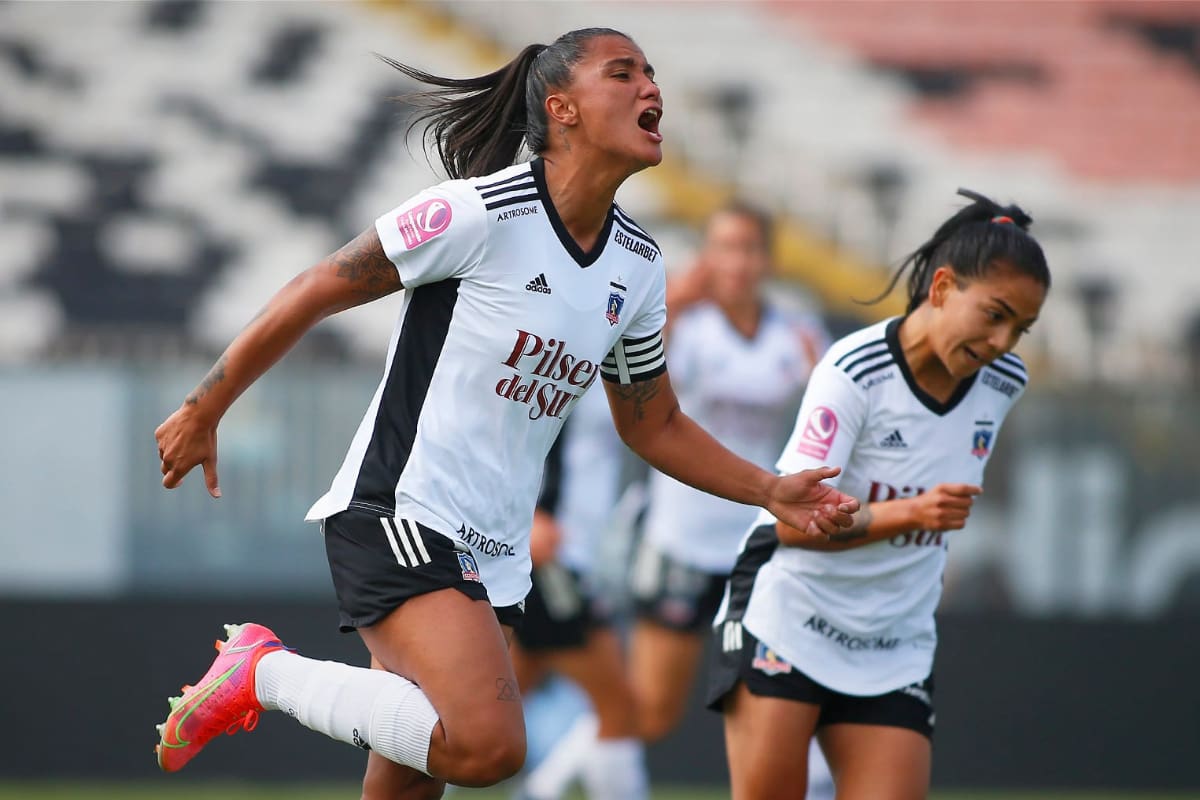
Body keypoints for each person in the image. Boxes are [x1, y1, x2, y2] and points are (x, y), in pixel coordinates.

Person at [151, 28, 859, 800]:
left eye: (652, 74)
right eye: (623, 74)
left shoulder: (640, 265)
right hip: (402, 511)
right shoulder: (478, 214)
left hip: (498, 551)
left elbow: (652, 424)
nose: (651, 88)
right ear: (563, 109)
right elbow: (321, 285)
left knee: (415, 780)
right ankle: (265, 670)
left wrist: (770, 489)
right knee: (487, 748)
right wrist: (204, 404)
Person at [707, 188, 1051, 800]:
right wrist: (909, 513)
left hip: (895, 643)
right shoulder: (855, 369)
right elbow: (793, 523)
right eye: (995, 315)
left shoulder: (1003, 381)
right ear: (942, 288)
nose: (1004, 342)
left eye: (1021, 328)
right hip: (791, 621)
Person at [627, 203, 827, 743]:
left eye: (749, 248)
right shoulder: (683, 324)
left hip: (759, 536)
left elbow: (830, 417)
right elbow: (623, 371)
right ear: (707, 257)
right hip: (681, 537)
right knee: (650, 711)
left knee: (773, 704)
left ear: (769, 259)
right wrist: (671, 306)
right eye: (724, 247)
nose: (737, 262)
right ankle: (553, 785)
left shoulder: (799, 331)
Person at [509, 386, 647, 800]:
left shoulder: (628, 357)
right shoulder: (569, 348)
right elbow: (515, 432)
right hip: (554, 556)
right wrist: (529, 515)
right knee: (619, 707)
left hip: (582, 557)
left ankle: (538, 791)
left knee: (489, 706)